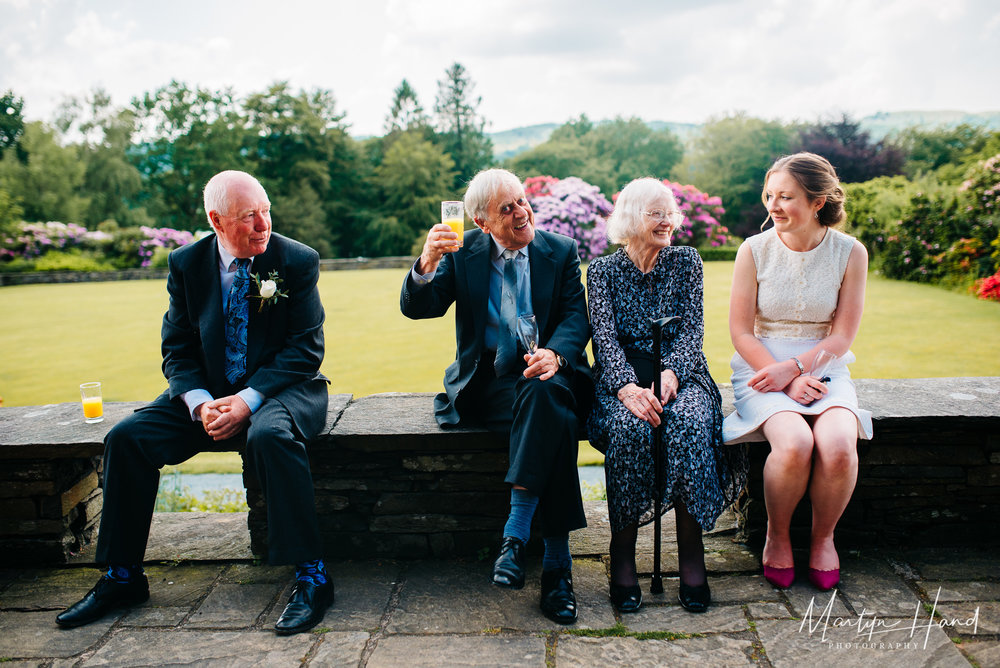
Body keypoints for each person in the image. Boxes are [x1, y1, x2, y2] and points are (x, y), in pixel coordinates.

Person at [56, 171, 334, 635]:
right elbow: (177, 348)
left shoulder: (297, 259)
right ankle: (122, 575)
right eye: (249, 217)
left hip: (283, 390)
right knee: (126, 437)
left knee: (269, 436)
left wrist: (246, 402)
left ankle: (312, 576)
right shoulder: (186, 263)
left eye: (266, 212)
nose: (263, 224)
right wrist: (201, 405)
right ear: (216, 220)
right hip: (207, 392)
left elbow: (306, 349)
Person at [400, 168, 591, 624]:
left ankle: (516, 536)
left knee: (546, 394)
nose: (522, 212)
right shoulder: (463, 253)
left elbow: (575, 318)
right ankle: (556, 569)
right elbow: (418, 308)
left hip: (550, 370)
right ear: (482, 223)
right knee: (554, 419)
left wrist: (556, 355)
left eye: (523, 201)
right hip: (489, 382)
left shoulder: (559, 250)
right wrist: (426, 263)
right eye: (507, 209)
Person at [587, 178, 746, 614]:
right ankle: (623, 555)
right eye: (656, 213)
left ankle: (693, 556)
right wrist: (626, 387)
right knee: (630, 427)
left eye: (670, 213)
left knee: (689, 423)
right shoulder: (601, 272)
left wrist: (673, 372)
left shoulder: (686, 262)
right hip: (623, 380)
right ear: (631, 218)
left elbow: (693, 328)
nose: (668, 221)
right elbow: (603, 339)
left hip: (682, 372)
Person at [723, 152, 873, 592]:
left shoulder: (851, 252)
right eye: (770, 194)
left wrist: (801, 367)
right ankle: (778, 534)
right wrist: (783, 374)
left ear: (818, 200)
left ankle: (824, 539)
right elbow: (739, 330)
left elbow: (843, 336)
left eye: (786, 196)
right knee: (794, 444)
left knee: (840, 445)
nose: (773, 205)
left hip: (826, 366)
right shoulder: (753, 249)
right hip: (761, 367)